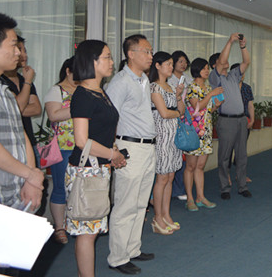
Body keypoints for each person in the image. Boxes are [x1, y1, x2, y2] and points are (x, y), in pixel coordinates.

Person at [68, 40, 126, 277]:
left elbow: (101, 131)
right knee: (87, 231)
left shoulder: (100, 92)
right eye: (107, 57)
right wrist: (112, 154)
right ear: (92, 61)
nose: (112, 62)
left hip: (99, 166)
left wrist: (112, 153)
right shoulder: (83, 95)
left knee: (92, 229)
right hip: (86, 169)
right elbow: (82, 141)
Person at [106, 34, 157, 275]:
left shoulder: (143, 79)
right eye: (146, 51)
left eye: (150, 51)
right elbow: (109, 118)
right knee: (125, 205)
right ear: (131, 54)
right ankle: (117, 257)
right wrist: (113, 150)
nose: (150, 56)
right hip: (130, 147)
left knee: (140, 204)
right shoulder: (120, 81)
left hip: (148, 147)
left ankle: (132, 249)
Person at [0, 12, 43, 212]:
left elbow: (21, 134)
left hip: (14, 193)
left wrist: (31, 177)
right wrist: (30, 174)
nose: (18, 53)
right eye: (13, 45)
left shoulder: (5, 92)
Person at [209, 33, 252, 200]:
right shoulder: (215, 78)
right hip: (226, 120)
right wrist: (230, 41)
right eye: (221, 60)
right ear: (214, 65)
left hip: (241, 119)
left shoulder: (233, 75)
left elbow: (246, 62)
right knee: (224, 156)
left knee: (242, 155)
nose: (226, 61)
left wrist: (242, 46)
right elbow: (221, 61)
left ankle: (242, 186)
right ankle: (224, 188)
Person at [149, 51, 185, 234]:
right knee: (162, 178)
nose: (171, 67)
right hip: (162, 137)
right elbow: (163, 113)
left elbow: (181, 110)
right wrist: (176, 113)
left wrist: (178, 96)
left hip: (174, 137)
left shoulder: (170, 87)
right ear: (157, 66)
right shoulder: (154, 87)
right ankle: (157, 217)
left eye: (172, 64)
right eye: (168, 64)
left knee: (170, 176)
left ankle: (166, 214)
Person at [43, 56, 77, 245]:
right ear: (68, 71)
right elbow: (53, 115)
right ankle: (59, 227)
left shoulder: (83, 90)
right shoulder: (56, 90)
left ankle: (73, 222)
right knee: (60, 187)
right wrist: (78, 106)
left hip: (83, 146)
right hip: (62, 146)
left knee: (78, 188)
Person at [183, 57, 222, 211]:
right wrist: (211, 95)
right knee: (190, 166)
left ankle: (200, 196)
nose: (207, 71)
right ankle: (190, 198)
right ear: (197, 70)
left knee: (200, 166)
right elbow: (197, 107)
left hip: (205, 131)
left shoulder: (207, 88)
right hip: (193, 132)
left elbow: (207, 110)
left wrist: (216, 105)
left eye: (207, 68)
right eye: (204, 68)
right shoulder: (192, 87)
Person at [0, 35, 42, 159]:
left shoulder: (23, 79)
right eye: (17, 49)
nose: (23, 55)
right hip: (8, 146)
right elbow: (17, 108)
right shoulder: (1, 81)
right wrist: (28, 82)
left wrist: (18, 105)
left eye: (24, 50)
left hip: (29, 142)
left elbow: (37, 109)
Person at [168, 50, 190, 201]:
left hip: (185, 118)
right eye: (180, 61)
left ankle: (179, 188)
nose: (183, 64)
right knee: (173, 154)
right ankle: (174, 188)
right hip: (172, 118)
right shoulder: (169, 80)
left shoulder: (187, 79)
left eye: (185, 61)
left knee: (182, 154)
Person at [228, 63, 254, 185]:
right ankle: (226, 175)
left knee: (241, 150)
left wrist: (252, 119)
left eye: (242, 72)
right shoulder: (226, 87)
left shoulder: (247, 88)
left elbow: (250, 105)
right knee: (228, 150)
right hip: (230, 122)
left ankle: (241, 175)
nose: (241, 75)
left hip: (244, 121)